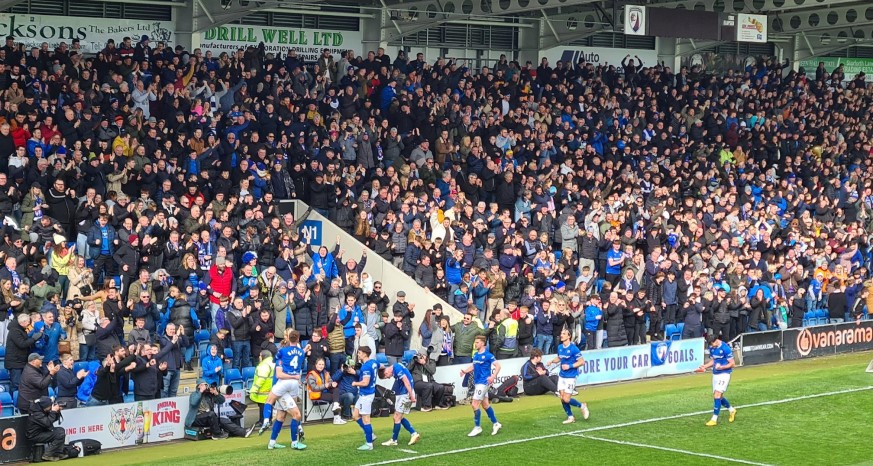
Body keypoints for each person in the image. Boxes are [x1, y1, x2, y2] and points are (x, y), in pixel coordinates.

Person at [258, 329, 306, 451]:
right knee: (292, 414)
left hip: (282, 384)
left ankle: (267, 424)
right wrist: (294, 375)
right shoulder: (301, 352)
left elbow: (278, 372)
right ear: (298, 339)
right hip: (294, 383)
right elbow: (301, 365)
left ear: (288, 340)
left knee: (277, 411)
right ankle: (293, 442)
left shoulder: (281, 353)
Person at [459, 335, 502, 437]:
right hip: (478, 382)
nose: (475, 344)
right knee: (485, 405)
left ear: (482, 343)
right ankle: (496, 423)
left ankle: (477, 427)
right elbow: (474, 366)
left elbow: (498, 366)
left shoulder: (488, 355)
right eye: (475, 342)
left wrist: (493, 376)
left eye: (477, 342)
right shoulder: (476, 355)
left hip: (483, 383)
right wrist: (465, 371)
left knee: (474, 404)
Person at [548, 328, 590, 424]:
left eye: (564, 333)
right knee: (562, 398)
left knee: (566, 399)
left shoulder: (574, 348)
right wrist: (552, 361)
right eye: (561, 333)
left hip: (571, 377)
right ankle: (570, 417)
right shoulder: (560, 347)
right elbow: (559, 357)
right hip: (562, 376)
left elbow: (581, 362)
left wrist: (570, 366)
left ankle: (582, 406)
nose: (561, 335)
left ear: (569, 336)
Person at [697, 334, 737, 426]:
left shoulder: (725, 348)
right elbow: (713, 360)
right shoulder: (712, 348)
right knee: (719, 396)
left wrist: (722, 367)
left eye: (712, 344)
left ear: (716, 340)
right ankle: (732, 410)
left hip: (724, 374)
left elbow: (732, 364)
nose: (711, 346)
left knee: (717, 395)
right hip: (715, 374)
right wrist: (705, 366)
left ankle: (714, 419)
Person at [378, 361, 421, 447]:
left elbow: (406, 382)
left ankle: (395, 439)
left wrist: (412, 396)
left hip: (405, 394)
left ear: (386, 372)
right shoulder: (396, 367)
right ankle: (413, 433)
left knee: (396, 417)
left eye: (386, 377)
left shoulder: (397, 369)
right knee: (399, 417)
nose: (389, 378)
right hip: (403, 394)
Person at [351, 345, 379, 451]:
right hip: (365, 394)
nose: (358, 355)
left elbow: (365, 382)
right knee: (355, 415)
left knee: (366, 419)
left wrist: (355, 383)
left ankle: (369, 443)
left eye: (359, 353)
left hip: (366, 395)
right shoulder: (374, 362)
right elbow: (381, 366)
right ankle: (370, 434)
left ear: (365, 354)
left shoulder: (366, 366)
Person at [27, 396, 68, 462]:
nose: (50, 408)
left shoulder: (40, 409)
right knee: (59, 433)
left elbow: (53, 420)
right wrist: (53, 411)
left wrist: (57, 411)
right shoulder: (36, 413)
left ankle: (57, 453)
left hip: (41, 431)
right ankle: (47, 455)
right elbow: (48, 423)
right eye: (49, 406)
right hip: (35, 435)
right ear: (45, 406)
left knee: (61, 430)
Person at [306, 357, 345, 425]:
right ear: (316, 365)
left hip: (325, 391)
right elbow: (313, 388)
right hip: (317, 394)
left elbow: (330, 381)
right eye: (319, 364)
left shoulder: (326, 373)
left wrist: (332, 384)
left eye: (322, 364)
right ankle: (336, 418)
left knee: (336, 390)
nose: (321, 366)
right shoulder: (311, 374)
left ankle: (336, 407)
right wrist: (325, 385)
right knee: (335, 397)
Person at [249, 349, 275, 416]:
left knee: (263, 406)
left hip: (263, 391)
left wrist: (254, 390)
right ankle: (268, 420)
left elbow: (261, 379)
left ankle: (263, 421)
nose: (259, 357)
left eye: (260, 356)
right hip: (271, 390)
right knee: (269, 405)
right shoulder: (273, 363)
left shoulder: (264, 365)